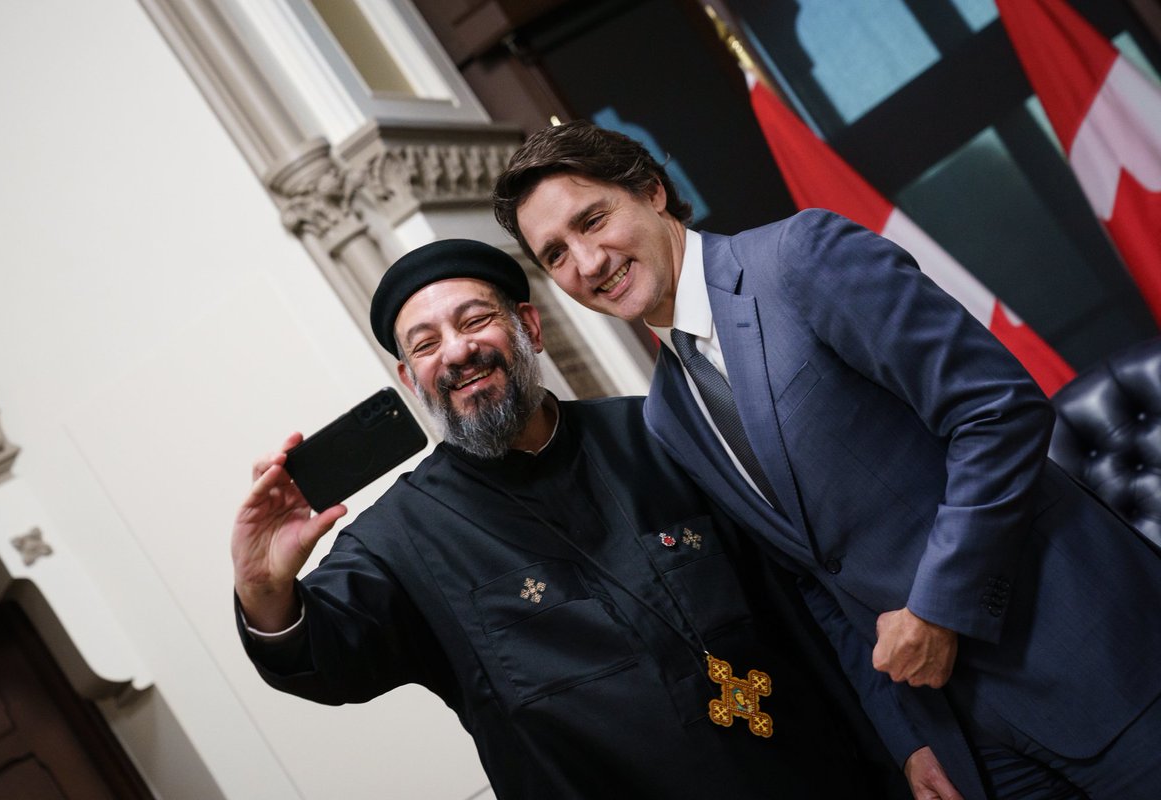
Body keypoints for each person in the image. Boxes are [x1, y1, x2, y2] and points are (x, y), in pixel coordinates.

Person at [493, 121, 1161, 800]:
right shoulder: (667, 413)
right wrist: (908, 738)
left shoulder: (802, 256)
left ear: (652, 191)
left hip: (1092, 656)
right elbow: (816, 576)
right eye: (556, 254)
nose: (588, 262)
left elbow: (997, 413)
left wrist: (938, 610)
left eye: (594, 220)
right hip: (966, 741)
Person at [231, 239, 911, 799]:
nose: (458, 352)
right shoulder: (397, 538)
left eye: (474, 320)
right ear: (412, 381)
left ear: (529, 329)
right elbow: (326, 659)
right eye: (426, 344)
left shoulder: (660, 429)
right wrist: (264, 587)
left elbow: (804, 595)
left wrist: (906, 744)